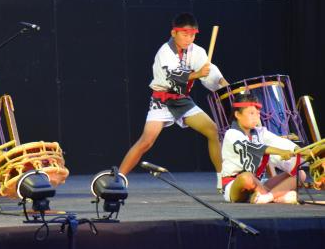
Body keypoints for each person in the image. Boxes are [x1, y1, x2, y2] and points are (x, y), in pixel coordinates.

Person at [119, 12, 229, 191]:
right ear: (173, 33)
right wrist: (198, 74)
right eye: (185, 34)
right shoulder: (165, 51)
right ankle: (119, 178)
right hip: (161, 100)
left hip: (182, 100)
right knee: (147, 141)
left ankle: (222, 180)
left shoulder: (197, 51)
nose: (189, 39)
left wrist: (229, 89)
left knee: (213, 131)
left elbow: (213, 75)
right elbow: (174, 78)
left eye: (192, 34)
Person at [221, 94, 306, 204]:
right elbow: (253, 148)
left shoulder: (260, 132)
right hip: (235, 185)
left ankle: (266, 197)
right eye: (251, 113)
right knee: (246, 177)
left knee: (300, 174)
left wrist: (299, 150)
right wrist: (281, 152)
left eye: (258, 113)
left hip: (258, 184)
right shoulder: (231, 134)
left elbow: (279, 141)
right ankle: (277, 197)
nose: (256, 117)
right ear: (237, 114)